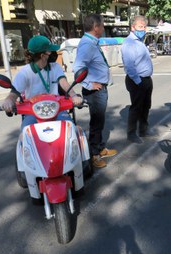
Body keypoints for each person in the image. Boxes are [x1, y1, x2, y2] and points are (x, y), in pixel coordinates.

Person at [1, 35, 82, 130]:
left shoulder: (55, 67)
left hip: (56, 108)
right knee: (25, 133)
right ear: (43, 55)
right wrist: (8, 101)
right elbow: (14, 93)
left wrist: (74, 96)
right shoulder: (25, 72)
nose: (52, 53)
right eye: (49, 51)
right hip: (32, 112)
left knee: (70, 128)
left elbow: (64, 83)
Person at [73, 14, 117, 169]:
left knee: (100, 122)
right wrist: (89, 84)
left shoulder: (91, 42)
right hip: (95, 92)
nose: (104, 28)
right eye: (102, 25)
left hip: (100, 90)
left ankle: (99, 148)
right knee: (96, 124)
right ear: (96, 27)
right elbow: (77, 68)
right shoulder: (87, 44)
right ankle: (94, 155)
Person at [121, 15, 154, 144]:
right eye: (140, 27)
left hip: (146, 79)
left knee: (146, 106)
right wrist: (139, 82)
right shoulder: (129, 43)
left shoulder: (140, 42)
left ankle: (143, 130)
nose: (143, 29)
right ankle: (131, 133)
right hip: (136, 80)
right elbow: (130, 66)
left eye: (144, 27)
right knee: (136, 107)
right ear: (133, 27)